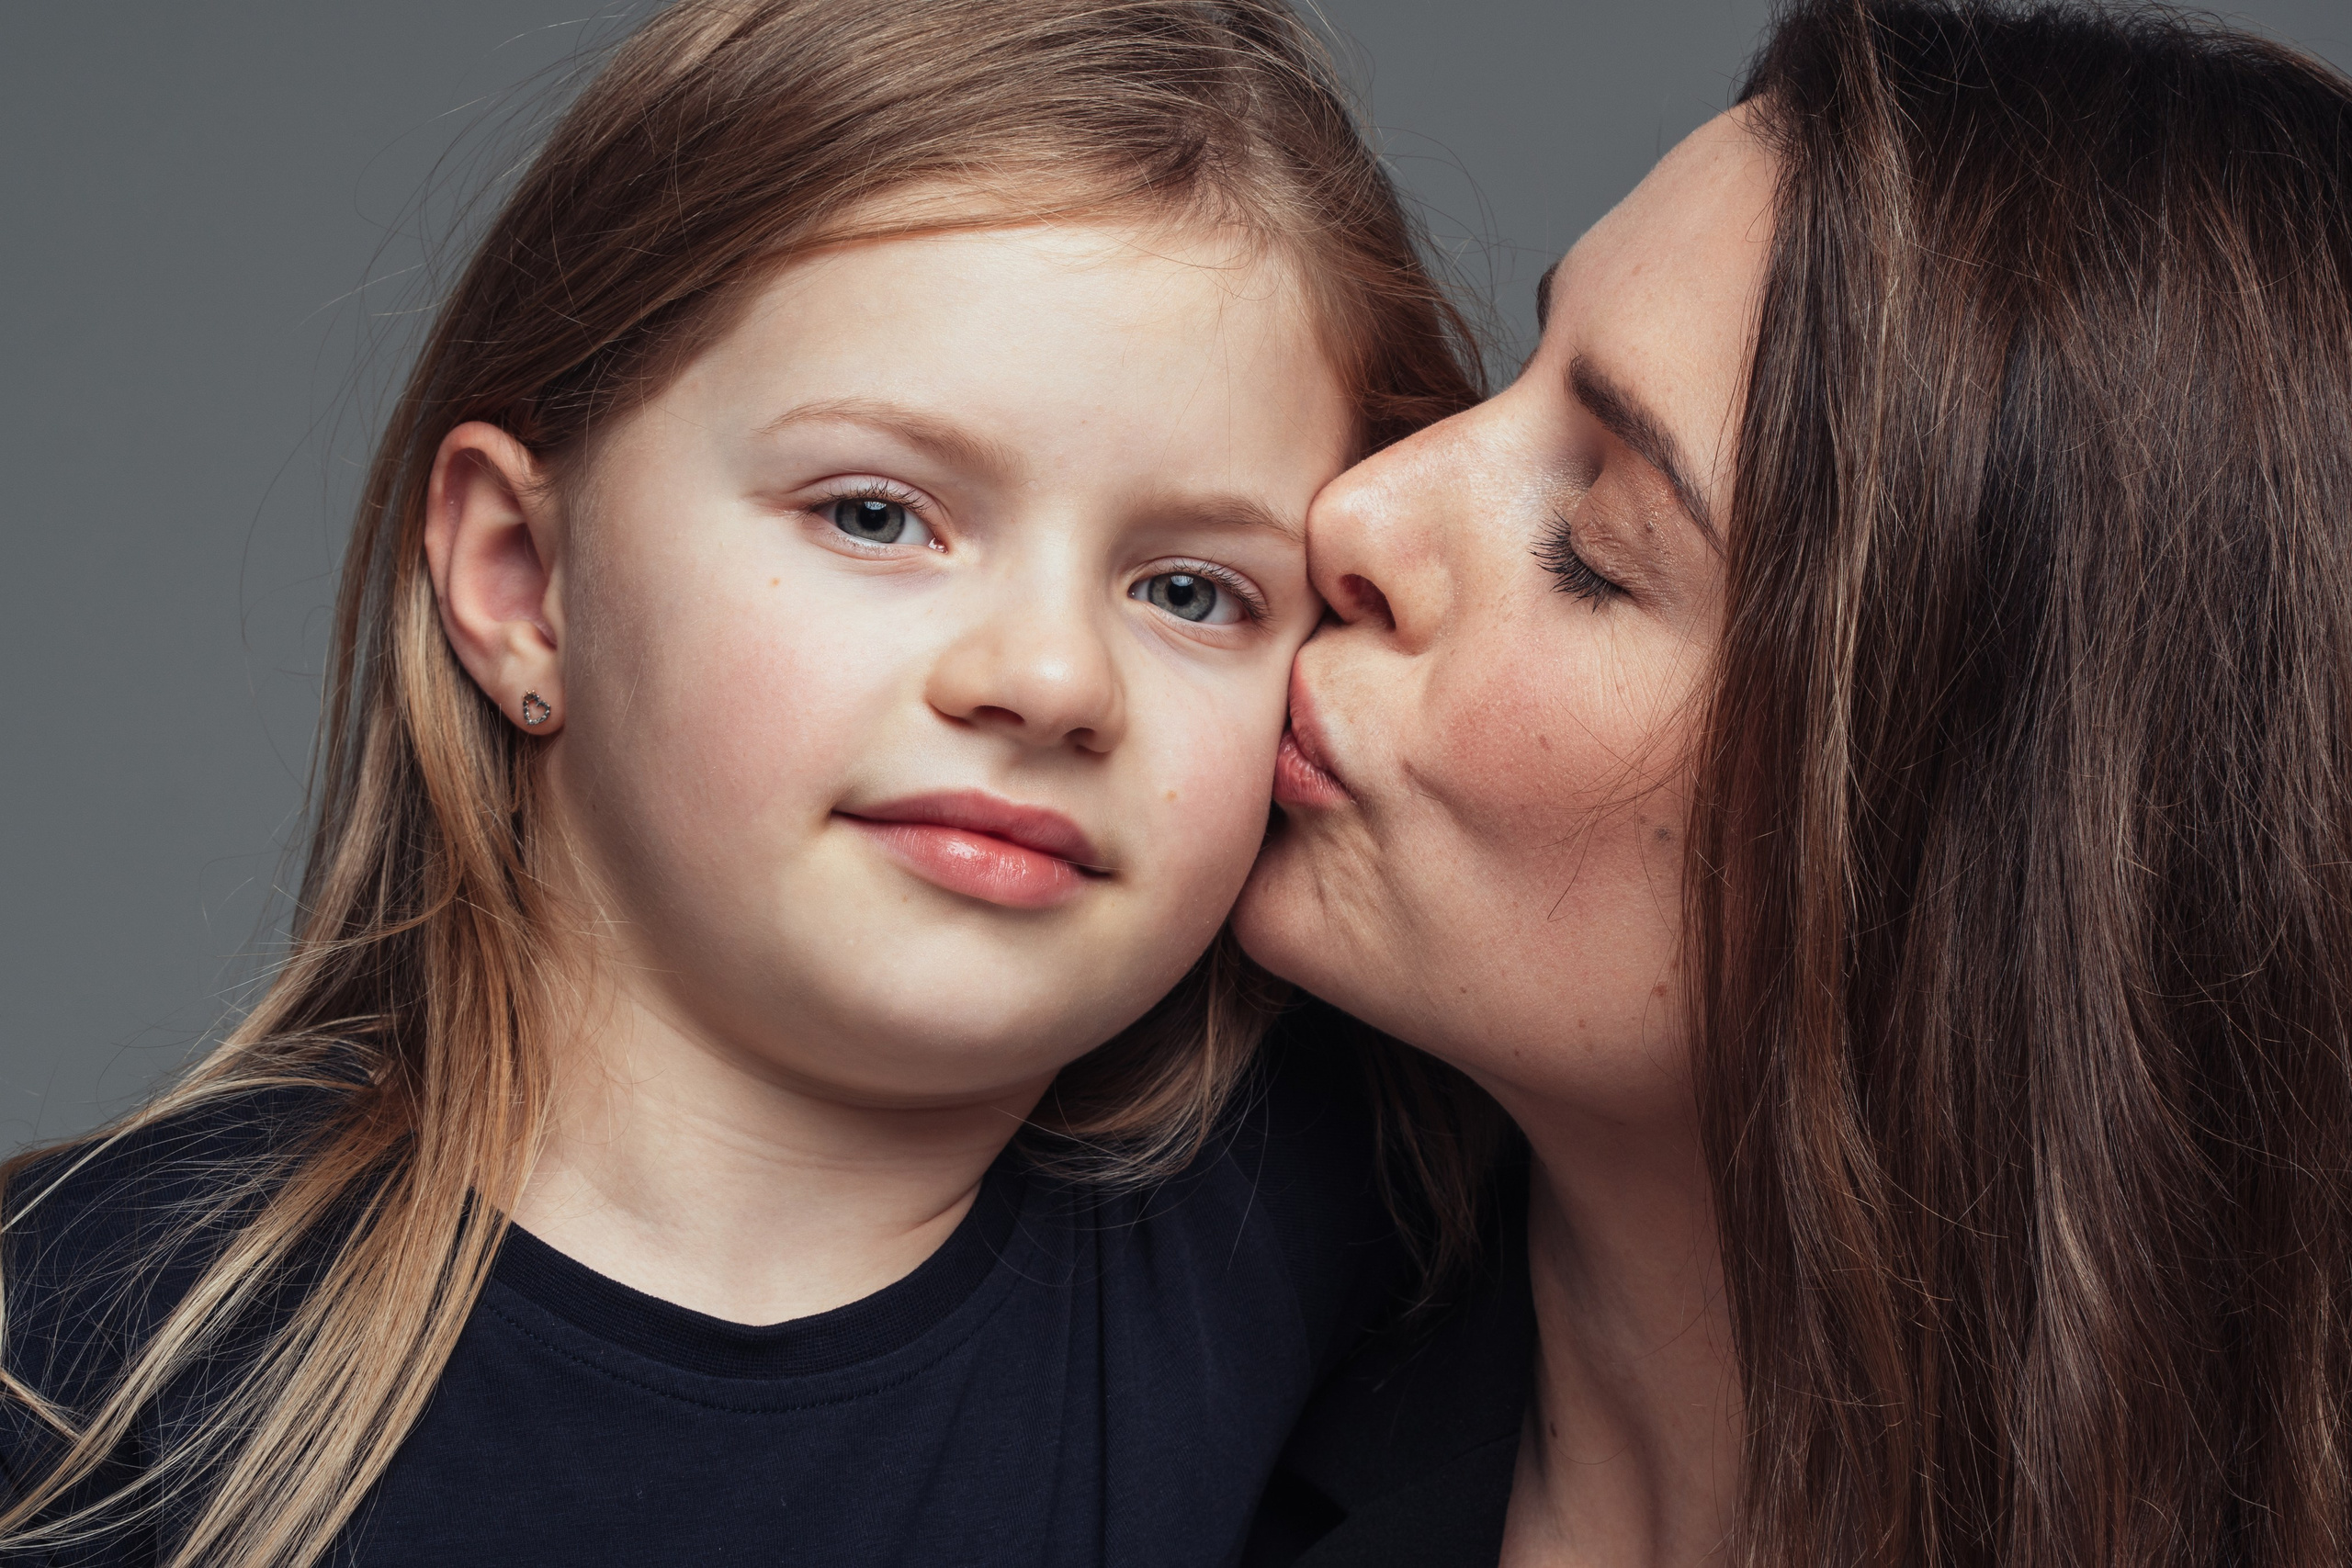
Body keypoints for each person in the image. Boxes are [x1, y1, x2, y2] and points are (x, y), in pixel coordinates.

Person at [0, 3, 1481, 1563]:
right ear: (518, 577)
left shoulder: (1350, 1264)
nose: (1051, 680)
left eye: (1192, 592)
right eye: (875, 515)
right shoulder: (79, 1365)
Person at [1238, 2, 2352, 1565]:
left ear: (1952, 857)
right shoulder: (1111, 1404)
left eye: (1595, 550)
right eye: (1520, 369)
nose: (1354, 508)